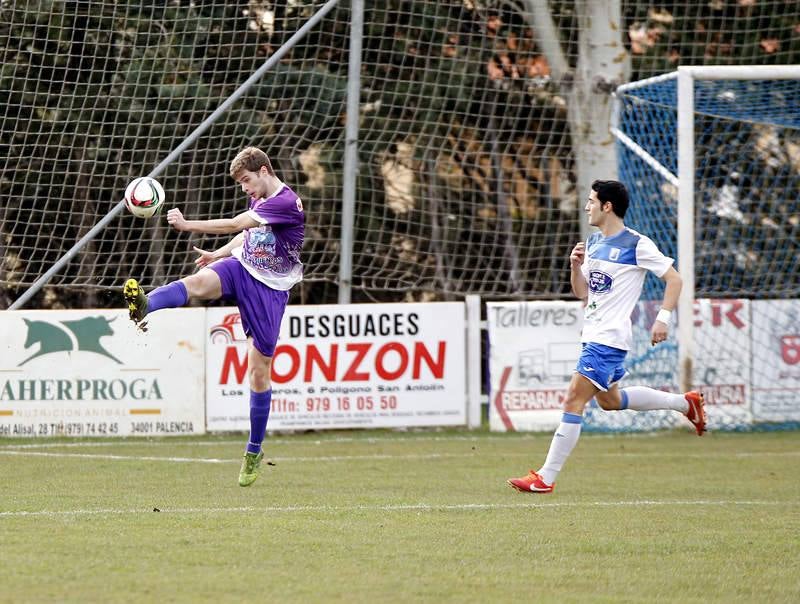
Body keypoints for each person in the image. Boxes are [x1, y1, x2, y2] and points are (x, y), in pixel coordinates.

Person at [508, 180, 706, 494]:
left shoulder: (637, 244)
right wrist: (575, 267)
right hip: (594, 335)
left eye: (590, 201)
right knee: (611, 401)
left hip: (608, 339)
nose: (587, 206)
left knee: (573, 399)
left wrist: (663, 319)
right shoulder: (594, 243)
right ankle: (685, 404)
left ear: (607, 206)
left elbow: (675, 279)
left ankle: (545, 477)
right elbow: (583, 293)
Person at [123, 146, 304, 487]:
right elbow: (249, 232)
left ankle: (253, 450)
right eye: (241, 184)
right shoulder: (261, 196)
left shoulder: (286, 202)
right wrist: (218, 254)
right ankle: (146, 303)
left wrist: (187, 224)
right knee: (197, 283)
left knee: (258, 371)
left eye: (247, 181)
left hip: (270, 289)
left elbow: (238, 222)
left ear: (264, 171)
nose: (244, 189)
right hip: (242, 267)